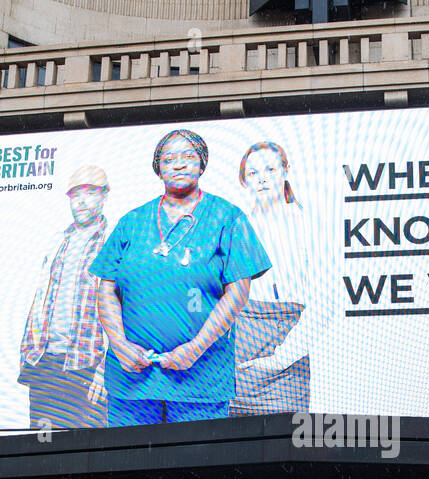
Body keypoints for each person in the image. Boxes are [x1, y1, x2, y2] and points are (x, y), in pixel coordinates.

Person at [91, 129, 271, 427]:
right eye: (168, 158)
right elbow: (106, 287)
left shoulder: (227, 217)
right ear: (158, 168)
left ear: (202, 164)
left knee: (197, 467)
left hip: (200, 378)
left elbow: (238, 292)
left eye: (188, 156)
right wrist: (119, 345)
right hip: (132, 378)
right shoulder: (132, 222)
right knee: (129, 467)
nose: (178, 164)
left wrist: (195, 348)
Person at [18, 165, 112, 429]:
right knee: (43, 443)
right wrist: (28, 355)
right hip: (45, 362)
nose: (81, 201)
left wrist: (106, 371)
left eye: (90, 193)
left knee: (89, 449)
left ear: (104, 196)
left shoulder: (113, 242)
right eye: (75, 194)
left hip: (87, 363)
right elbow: (40, 302)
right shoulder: (58, 241)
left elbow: (125, 313)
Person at [231, 141, 316, 414]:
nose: (263, 178)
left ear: (286, 170)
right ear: (244, 181)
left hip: (289, 346)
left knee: (284, 440)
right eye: (253, 173)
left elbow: (327, 299)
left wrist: (282, 358)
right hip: (239, 348)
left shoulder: (308, 223)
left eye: (270, 169)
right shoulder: (235, 228)